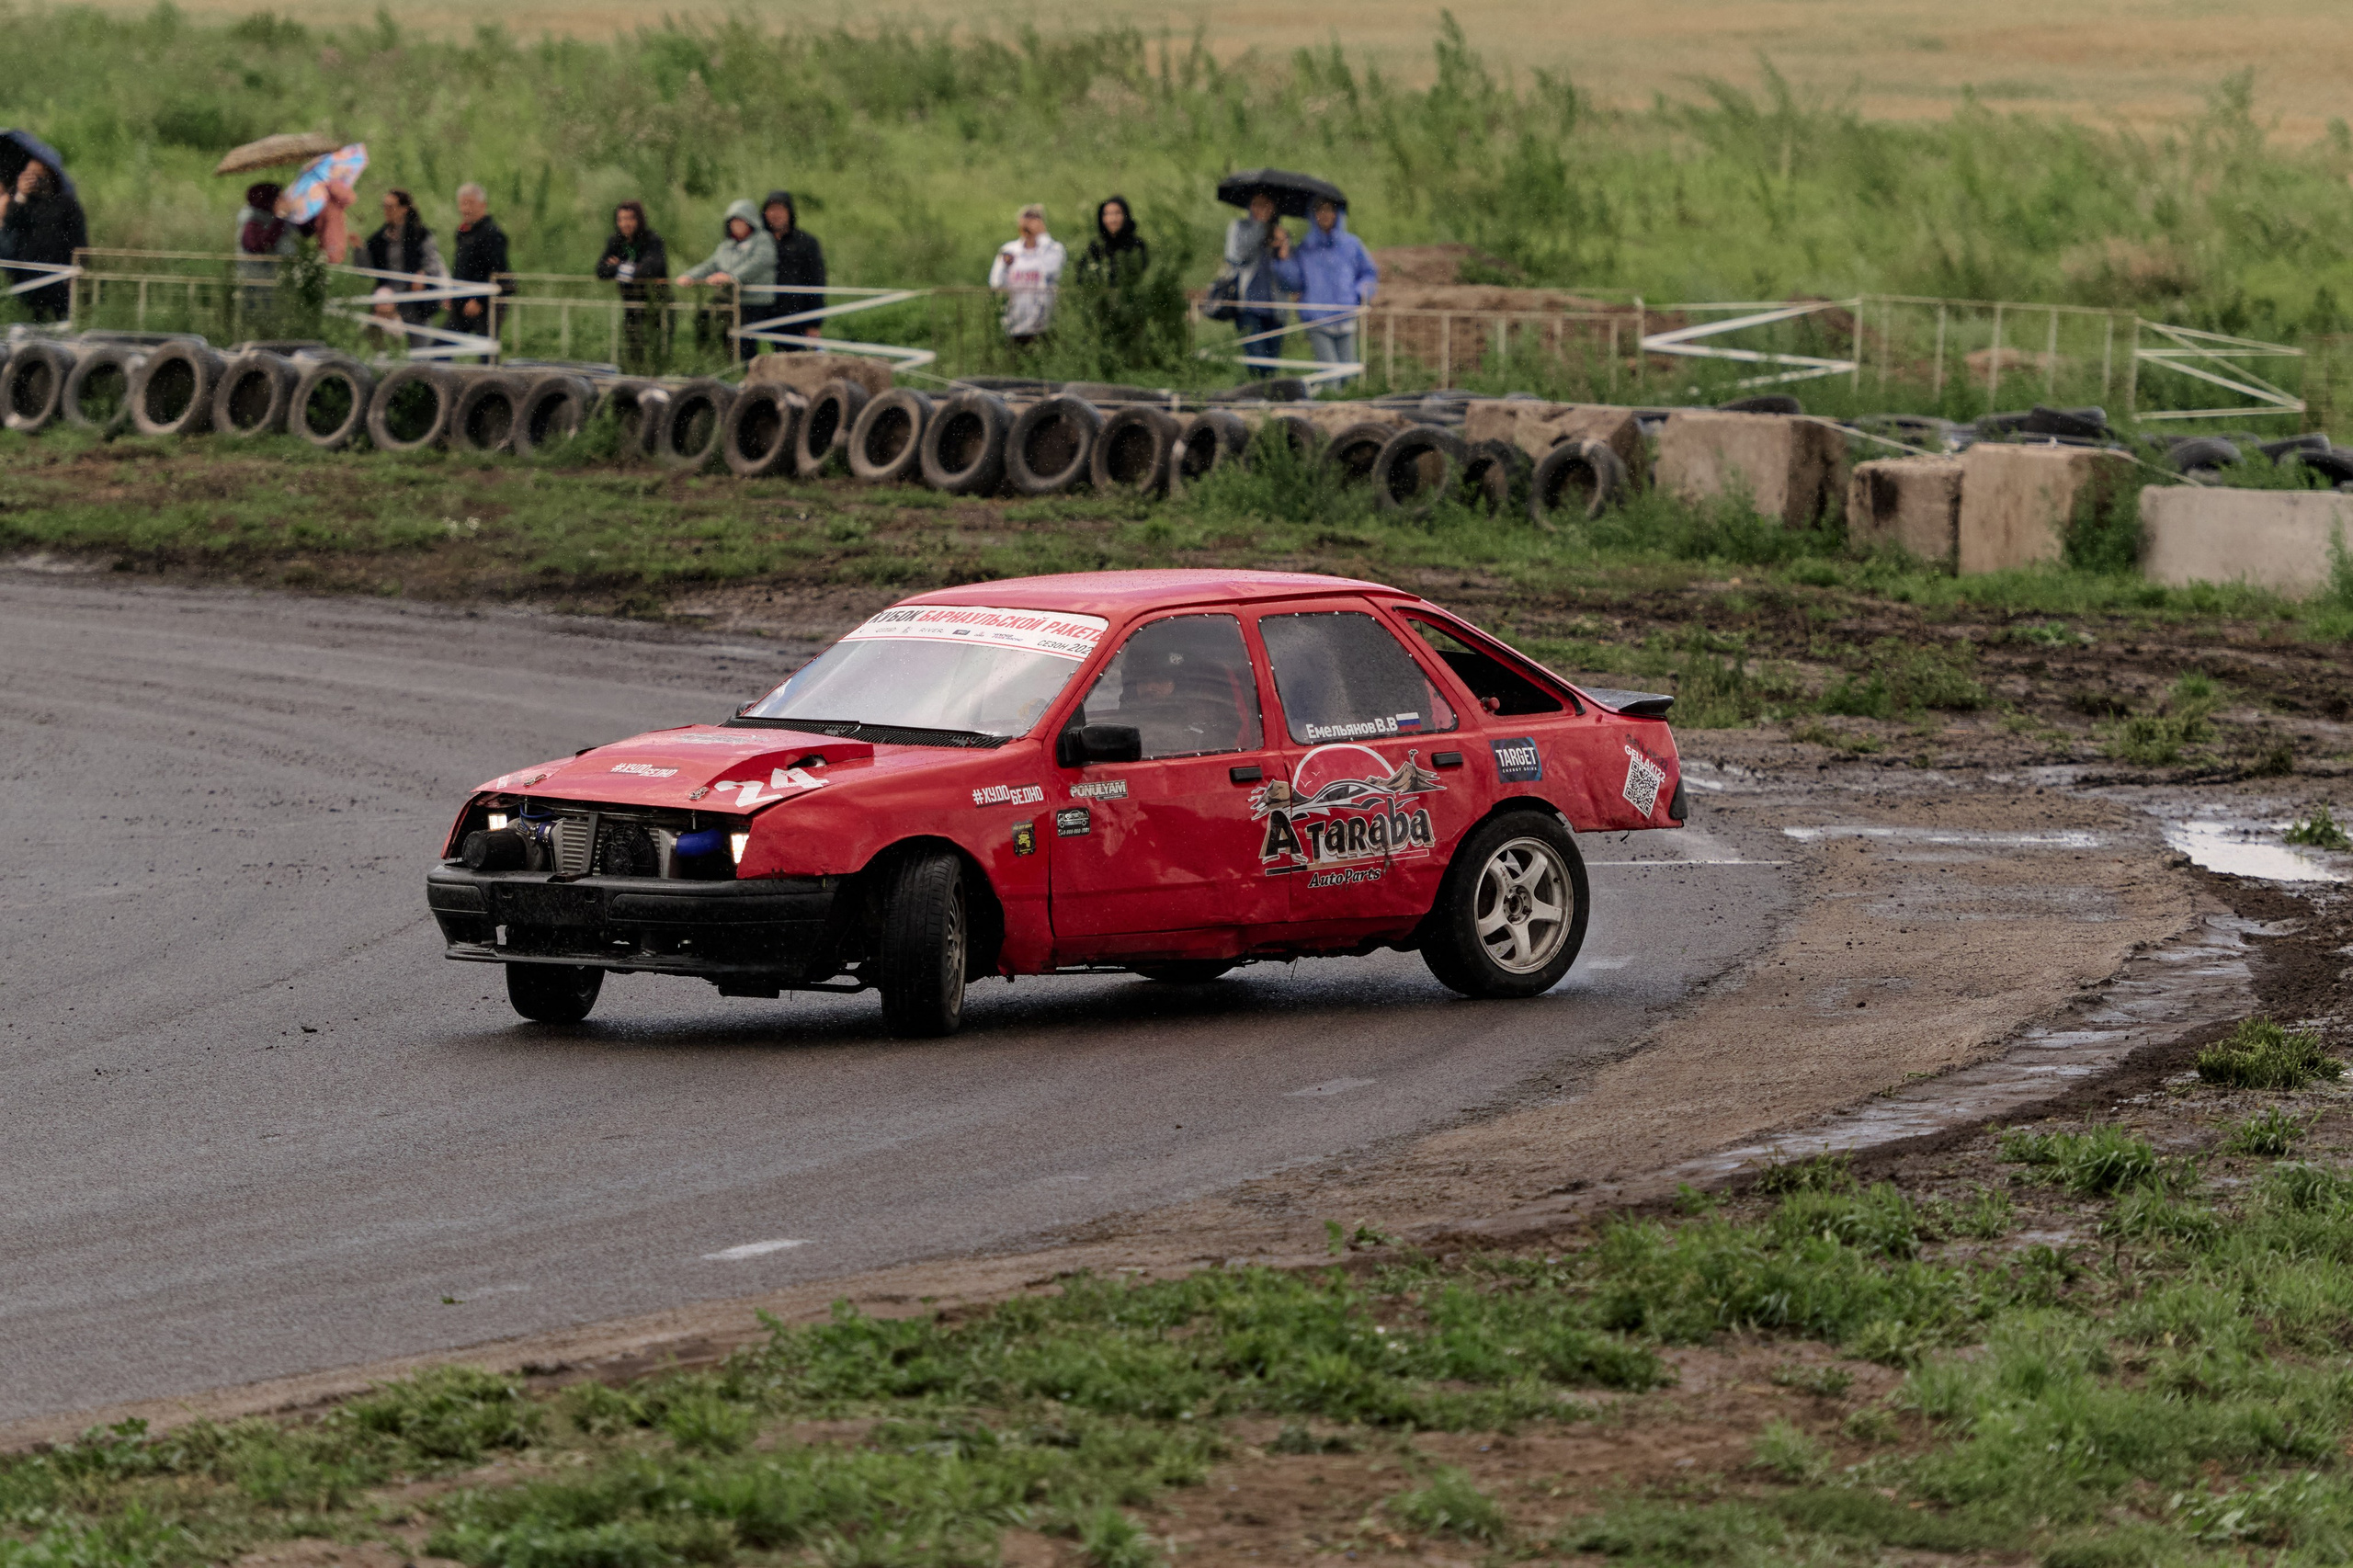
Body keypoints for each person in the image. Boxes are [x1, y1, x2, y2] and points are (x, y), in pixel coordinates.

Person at [1271, 197, 1377, 382]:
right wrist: (1283, 259)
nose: (1325, 215)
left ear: (1337, 214)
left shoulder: (1351, 245)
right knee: (1330, 378)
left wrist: (1360, 294)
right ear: (1313, 216)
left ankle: (1348, 408)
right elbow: (1294, 283)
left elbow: (1369, 273)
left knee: (1349, 376)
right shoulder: (1306, 249)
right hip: (1317, 319)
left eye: (1329, 210)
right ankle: (1330, 406)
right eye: (1319, 210)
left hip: (1346, 316)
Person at [675, 198, 777, 360]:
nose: (736, 225)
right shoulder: (726, 246)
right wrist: (690, 276)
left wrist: (731, 277)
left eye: (740, 221)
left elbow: (757, 263)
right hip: (730, 300)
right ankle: (711, 361)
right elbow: (711, 265)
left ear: (750, 221)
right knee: (707, 318)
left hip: (754, 301)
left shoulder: (763, 240)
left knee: (744, 338)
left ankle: (746, 370)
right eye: (733, 222)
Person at [0, 157, 87, 323]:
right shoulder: (23, 204)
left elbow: (78, 238)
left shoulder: (66, 204)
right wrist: (20, 195)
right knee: (29, 321)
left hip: (58, 274)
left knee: (59, 322)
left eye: (38, 175)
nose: (33, 179)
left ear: (50, 176)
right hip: (27, 274)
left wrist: (78, 267)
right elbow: (9, 223)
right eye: (28, 175)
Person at [1221, 189, 1290, 377]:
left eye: (1266, 205)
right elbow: (1237, 256)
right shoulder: (1239, 227)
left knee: (1271, 368)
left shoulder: (1281, 233)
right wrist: (1261, 229)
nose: (1261, 209)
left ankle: (1267, 402)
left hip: (1276, 309)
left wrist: (1283, 250)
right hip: (1248, 307)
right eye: (1256, 204)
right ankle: (1256, 399)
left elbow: (1291, 277)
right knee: (1257, 362)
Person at [594, 200, 669, 369]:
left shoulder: (652, 240)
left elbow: (650, 269)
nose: (624, 224)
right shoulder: (615, 241)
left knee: (656, 347)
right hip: (631, 301)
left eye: (629, 219)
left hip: (655, 302)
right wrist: (631, 268)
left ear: (638, 220)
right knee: (633, 347)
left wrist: (618, 267)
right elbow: (600, 270)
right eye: (620, 219)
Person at [753, 188, 826, 353]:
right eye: (771, 209)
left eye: (780, 209)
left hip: (795, 315)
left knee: (794, 366)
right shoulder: (757, 243)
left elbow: (817, 282)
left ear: (790, 212)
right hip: (762, 312)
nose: (775, 214)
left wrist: (814, 323)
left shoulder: (807, 243)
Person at [361, 188, 447, 329]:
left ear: (404, 209)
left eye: (391, 206)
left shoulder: (421, 234)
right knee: (385, 346)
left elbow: (433, 263)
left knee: (421, 346)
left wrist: (423, 273)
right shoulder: (378, 239)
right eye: (384, 206)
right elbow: (366, 270)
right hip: (388, 305)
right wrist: (359, 250)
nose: (386, 210)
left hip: (416, 302)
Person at [988, 203, 1066, 347]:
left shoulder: (1053, 249)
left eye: (1034, 220)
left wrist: (1042, 238)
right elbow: (996, 282)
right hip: (1014, 321)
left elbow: (1051, 271)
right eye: (1026, 220)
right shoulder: (1009, 250)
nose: (1029, 226)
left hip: (1043, 323)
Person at [445, 182, 512, 343]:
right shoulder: (462, 233)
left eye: (471, 203)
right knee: (441, 345)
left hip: (486, 304)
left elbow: (499, 272)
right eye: (463, 204)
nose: (466, 209)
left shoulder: (492, 234)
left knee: (487, 353)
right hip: (462, 301)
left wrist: (480, 300)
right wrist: (452, 295)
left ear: (483, 205)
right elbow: (461, 269)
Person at [233, 180, 295, 315]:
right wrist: (280, 217)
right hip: (255, 279)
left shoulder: (269, 218)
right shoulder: (251, 219)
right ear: (270, 200)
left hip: (270, 279)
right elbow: (257, 245)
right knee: (258, 314)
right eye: (280, 197)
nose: (284, 200)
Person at [1078, 195, 1148, 285]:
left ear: (1126, 215)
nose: (1112, 219)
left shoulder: (1136, 245)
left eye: (1117, 213)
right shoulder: (1097, 246)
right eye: (1107, 214)